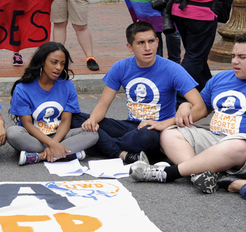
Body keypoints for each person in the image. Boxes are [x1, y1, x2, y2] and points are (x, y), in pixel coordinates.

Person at [130, 32, 246, 194]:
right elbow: (200, 108)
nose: (235, 61)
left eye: (242, 57)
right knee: (170, 134)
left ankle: (167, 173)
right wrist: (185, 106)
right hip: (215, 138)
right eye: (233, 56)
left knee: (234, 145)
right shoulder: (220, 78)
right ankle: (201, 174)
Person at [81, 22, 205, 162]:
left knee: (147, 136)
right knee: (78, 118)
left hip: (157, 129)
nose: (147, 48)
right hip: (131, 126)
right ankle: (122, 152)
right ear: (130, 47)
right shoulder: (120, 67)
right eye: (140, 43)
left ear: (157, 42)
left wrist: (163, 125)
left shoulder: (172, 69)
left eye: (151, 41)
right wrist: (92, 121)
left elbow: (200, 108)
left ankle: (100, 144)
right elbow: (103, 105)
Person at [6, 42, 98, 164]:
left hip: (60, 136)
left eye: (62, 63)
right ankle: (65, 153)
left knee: (93, 134)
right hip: (34, 138)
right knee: (12, 132)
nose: (59, 67)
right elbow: (27, 124)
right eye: (54, 62)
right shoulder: (22, 88)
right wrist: (51, 144)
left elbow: (66, 121)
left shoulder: (67, 86)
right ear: (43, 61)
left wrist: (54, 142)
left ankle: (40, 156)